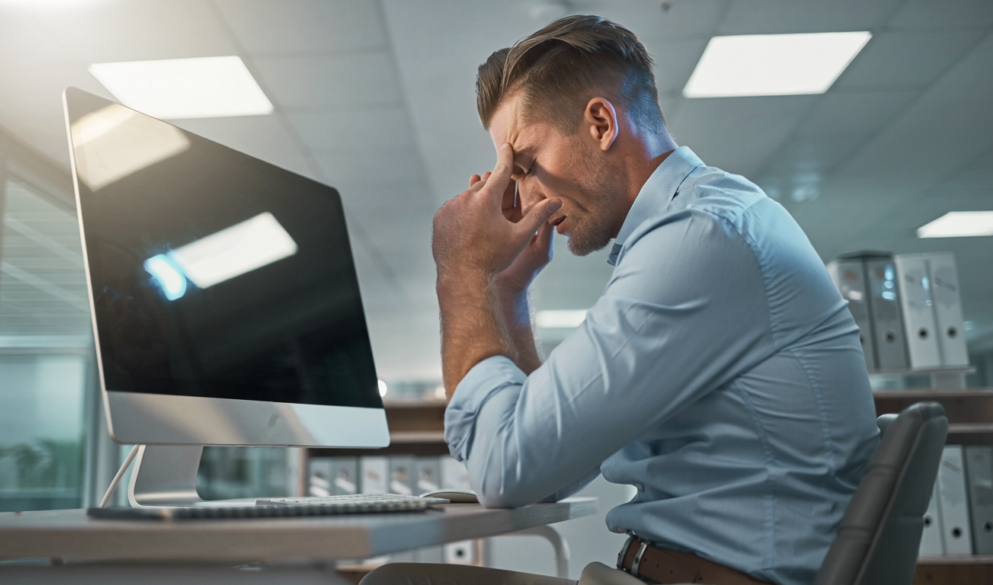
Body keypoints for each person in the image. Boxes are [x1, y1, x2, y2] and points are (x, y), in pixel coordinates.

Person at [365, 14, 878, 585]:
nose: (524, 196)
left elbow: (503, 468)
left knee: (396, 583)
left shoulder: (700, 240)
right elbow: (546, 465)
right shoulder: (698, 228)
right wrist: (506, 290)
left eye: (527, 165)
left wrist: (460, 271)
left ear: (601, 122)